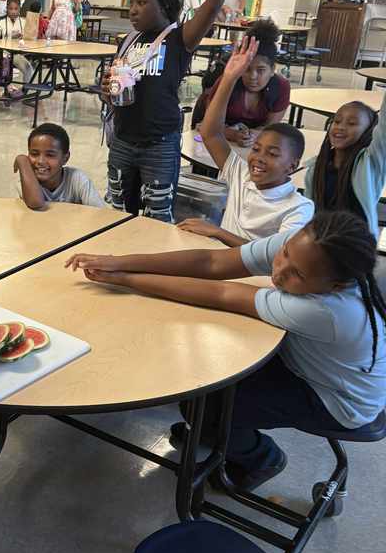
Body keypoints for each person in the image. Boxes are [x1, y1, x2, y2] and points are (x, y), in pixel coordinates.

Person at [66, 209, 386, 490]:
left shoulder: (330, 310)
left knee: (205, 400)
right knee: (205, 372)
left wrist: (126, 280)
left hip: (336, 399)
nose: (278, 271)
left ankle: (261, 457)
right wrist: (118, 262)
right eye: (283, 254)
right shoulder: (304, 246)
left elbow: (221, 293)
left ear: (336, 285)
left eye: (297, 275)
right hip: (312, 363)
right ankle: (212, 430)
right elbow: (214, 261)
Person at [101, 0, 243, 222]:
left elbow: (214, 1)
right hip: (123, 140)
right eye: (131, 2)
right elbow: (114, 90)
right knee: (116, 214)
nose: (133, 9)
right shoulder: (127, 41)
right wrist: (107, 90)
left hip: (159, 145)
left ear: (164, 4)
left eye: (141, 2)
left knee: (156, 217)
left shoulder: (179, 38)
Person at [178, 38, 313, 246]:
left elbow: (273, 259)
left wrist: (218, 232)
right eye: (257, 149)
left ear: (292, 166)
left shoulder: (298, 208)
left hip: (252, 277)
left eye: (273, 154)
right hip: (217, 265)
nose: (258, 159)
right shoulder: (242, 174)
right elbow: (210, 133)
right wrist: (230, 78)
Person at [305, 90, 386, 243]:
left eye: (352, 123)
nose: (340, 127)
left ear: (368, 132)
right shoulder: (316, 167)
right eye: (337, 121)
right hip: (320, 245)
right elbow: (308, 212)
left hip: (355, 248)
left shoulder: (370, 164)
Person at [192, 19, 290, 147]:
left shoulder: (281, 87)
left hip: (251, 145)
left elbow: (270, 128)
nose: (253, 76)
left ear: (272, 69)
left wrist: (255, 134)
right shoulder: (227, 81)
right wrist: (233, 135)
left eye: (260, 70)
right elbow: (209, 126)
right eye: (246, 69)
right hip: (215, 141)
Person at [15, 122, 104, 210]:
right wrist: (23, 161)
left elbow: (101, 214)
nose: (41, 161)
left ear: (65, 158)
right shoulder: (27, 180)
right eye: (34, 154)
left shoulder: (77, 179)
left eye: (50, 155)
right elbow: (35, 203)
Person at [0, 0, 33, 97]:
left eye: (16, 9)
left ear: (19, 9)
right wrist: (9, 39)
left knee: (28, 69)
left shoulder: (24, 22)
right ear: (7, 9)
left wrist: (24, 38)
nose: (13, 11)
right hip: (4, 53)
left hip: (17, 55)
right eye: (11, 9)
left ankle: (24, 91)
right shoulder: (1, 23)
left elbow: (30, 40)